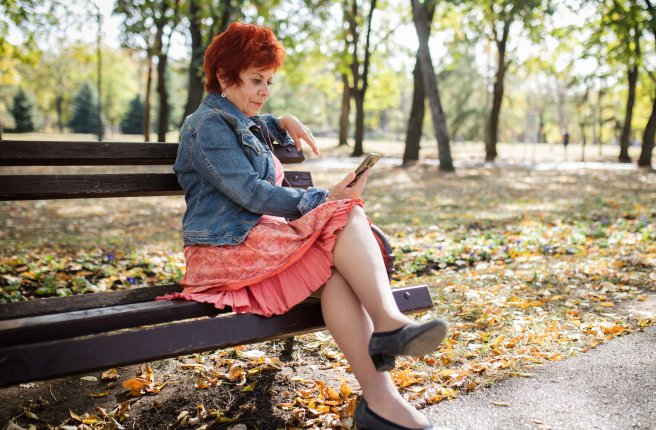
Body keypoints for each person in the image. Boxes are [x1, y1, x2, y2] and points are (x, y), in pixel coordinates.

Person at [157, 22, 446, 430]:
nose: (265, 91)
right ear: (224, 76)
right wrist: (324, 200)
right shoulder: (204, 128)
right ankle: (387, 323)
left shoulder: (239, 119)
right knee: (345, 213)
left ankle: (382, 402)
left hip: (256, 243)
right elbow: (251, 193)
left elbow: (252, 128)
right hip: (224, 251)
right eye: (257, 80)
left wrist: (282, 120)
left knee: (339, 277)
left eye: (270, 82)